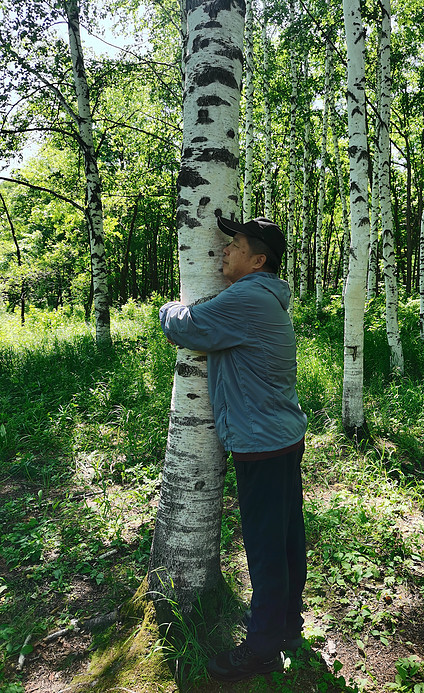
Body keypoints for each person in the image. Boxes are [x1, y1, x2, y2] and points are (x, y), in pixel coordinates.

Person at [159, 216, 307, 682]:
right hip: (282, 436)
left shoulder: (246, 297)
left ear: (258, 259)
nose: (224, 250)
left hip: (261, 443)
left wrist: (167, 306)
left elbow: (186, 327)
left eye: (234, 244)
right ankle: (286, 627)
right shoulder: (265, 298)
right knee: (285, 540)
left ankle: (262, 649)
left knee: (265, 549)